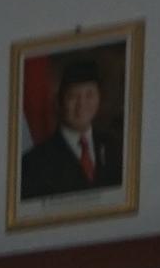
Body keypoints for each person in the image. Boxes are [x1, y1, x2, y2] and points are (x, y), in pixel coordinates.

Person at [21, 55, 120, 201]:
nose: (81, 104)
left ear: (99, 98)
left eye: (89, 95)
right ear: (59, 102)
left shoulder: (114, 147)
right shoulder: (34, 162)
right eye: (73, 96)